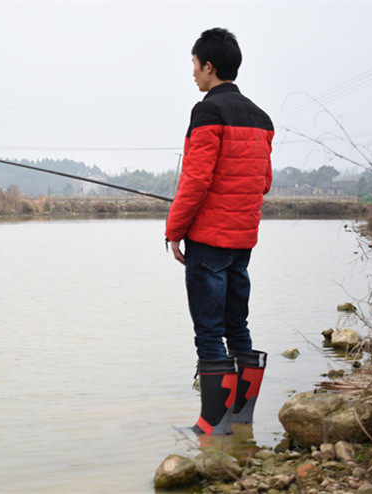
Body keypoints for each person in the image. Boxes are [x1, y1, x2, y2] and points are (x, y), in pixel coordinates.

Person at [165, 28, 273, 435]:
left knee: (209, 331)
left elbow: (195, 181)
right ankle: (241, 421)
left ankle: (212, 426)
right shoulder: (261, 118)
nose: (193, 73)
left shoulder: (207, 112)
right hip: (242, 241)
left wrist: (174, 230)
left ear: (209, 67)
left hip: (209, 240)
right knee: (236, 326)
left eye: (194, 65)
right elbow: (263, 182)